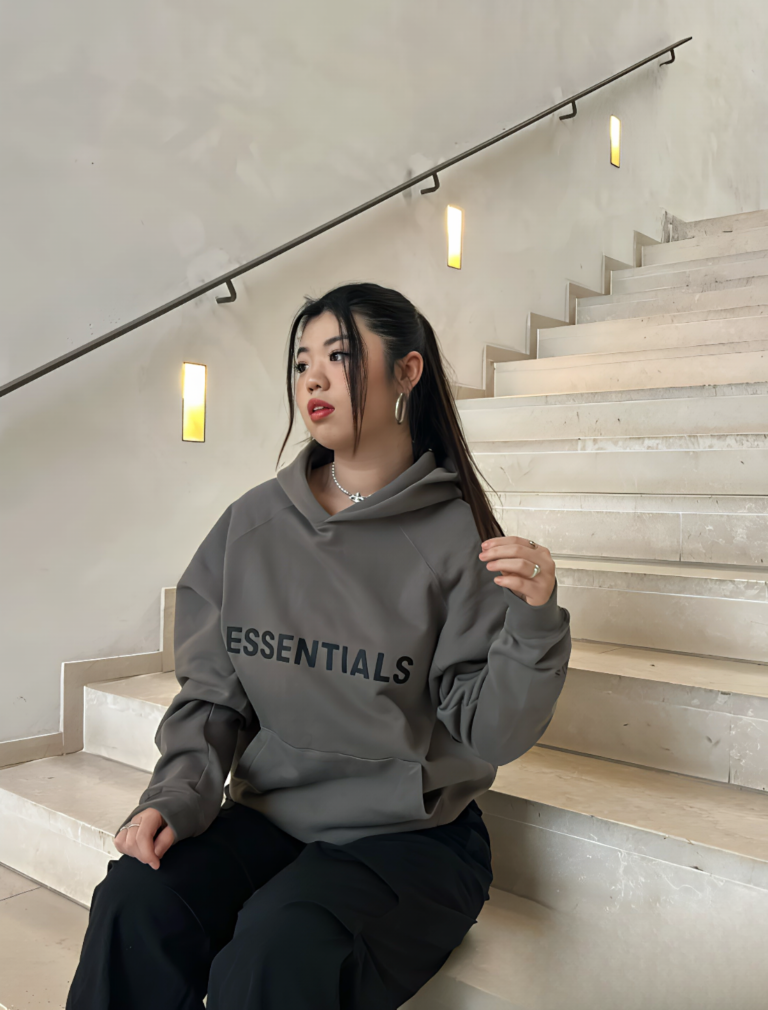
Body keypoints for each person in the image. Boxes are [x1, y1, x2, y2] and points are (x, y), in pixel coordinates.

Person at [66, 282, 571, 1009]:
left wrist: (535, 623)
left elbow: (490, 732)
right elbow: (213, 694)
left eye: (340, 356)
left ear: (407, 372)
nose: (314, 379)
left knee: (275, 952)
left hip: (410, 840)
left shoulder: (457, 538)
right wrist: (176, 795)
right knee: (135, 901)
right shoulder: (251, 526)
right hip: (270, 817)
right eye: (303, 362)